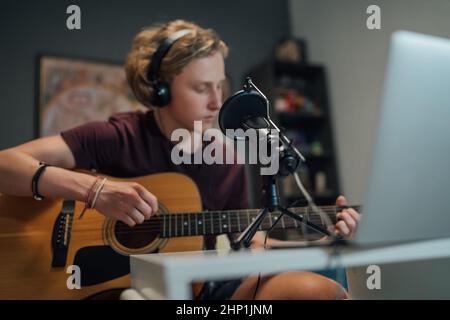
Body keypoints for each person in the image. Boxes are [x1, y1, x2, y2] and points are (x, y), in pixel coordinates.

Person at [0, 19, 360, 300]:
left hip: (205, 292)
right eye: (202, 88)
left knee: (322, 292)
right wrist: (94, 189)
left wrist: (323, 233)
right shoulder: (116, 136)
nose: (217, 102)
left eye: (220, 85)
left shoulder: (226, 158)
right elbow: (6, 164)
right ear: (161, 90)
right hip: (110, 286)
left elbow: (247, 243)